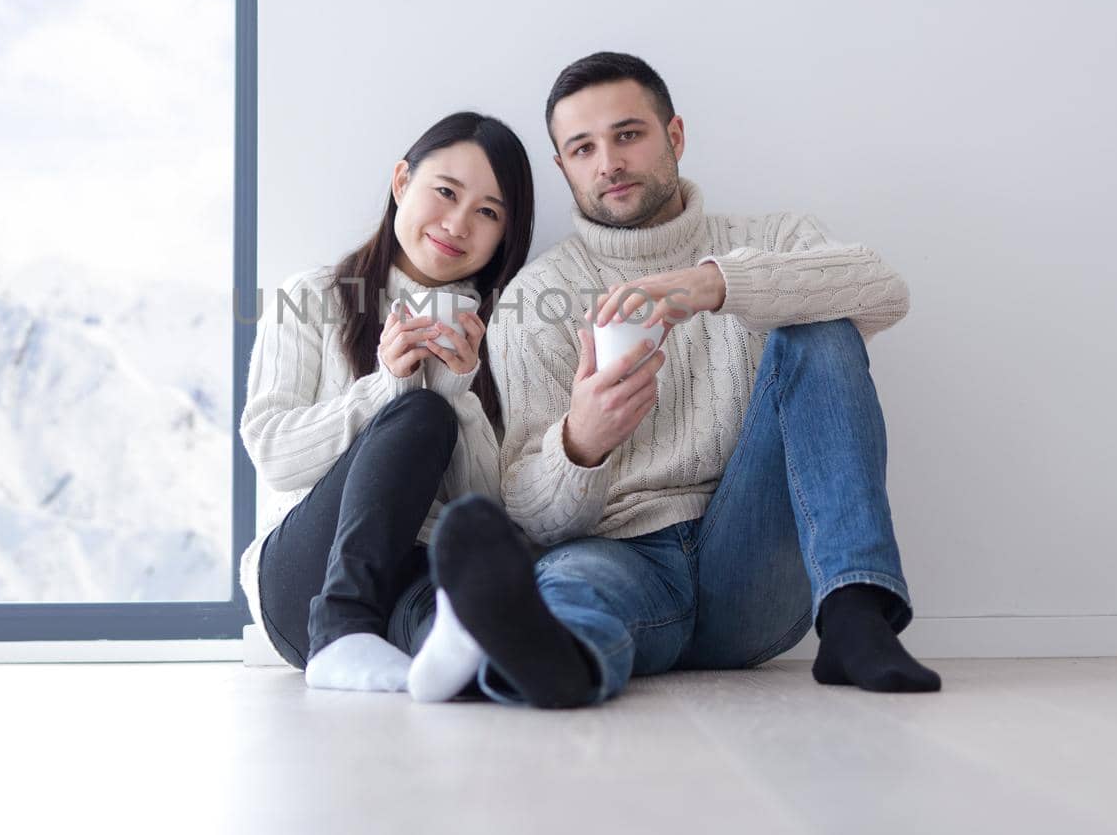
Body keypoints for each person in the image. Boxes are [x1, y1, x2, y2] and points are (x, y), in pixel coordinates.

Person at [413, 52, 940, 707]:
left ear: (675, 135)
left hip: (753, 556)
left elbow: (883, 289)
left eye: (628, 134)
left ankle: (858, 613)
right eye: (583, 147)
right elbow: (532, 513)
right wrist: (582, 441)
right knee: (571, 582)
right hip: (622, 557)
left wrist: (713, 283)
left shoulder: (772, 236)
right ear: (563, 167)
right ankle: (558, 658)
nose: (608, 162)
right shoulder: (535, 296)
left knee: (822, 323)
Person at [238, 111, 534, 692]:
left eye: (488, 212)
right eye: (445, 192)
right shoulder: (311, 298)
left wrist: (460, 388)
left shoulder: (507, 330)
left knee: (463, 641)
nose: (458, 223)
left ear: (505, 233)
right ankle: (341, 631)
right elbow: (273, 455)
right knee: (419, 414)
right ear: (402, 183)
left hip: (413, 577)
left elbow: (492, 512)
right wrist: (385, 389)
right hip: (304, 582)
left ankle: (495, 660)